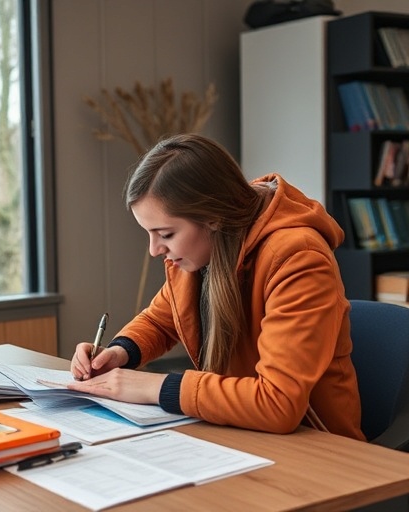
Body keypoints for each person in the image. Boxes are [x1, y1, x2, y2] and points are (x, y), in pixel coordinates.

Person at [68, 133, 364, 441]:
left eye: (166, 234)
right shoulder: (203, 250)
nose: (155, 249)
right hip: (241, 430)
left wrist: (155, 387)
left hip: (318, 446)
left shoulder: (298, 258)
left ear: (212, 217)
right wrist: (118, 352)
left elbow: (277, 403)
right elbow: (162, 319)